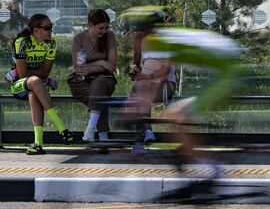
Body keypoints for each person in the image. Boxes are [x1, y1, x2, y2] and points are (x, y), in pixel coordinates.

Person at [120, 6, 243, 159]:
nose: (136, 36)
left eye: (138, 32)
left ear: (146, 30)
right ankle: (191, 155)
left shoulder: (157, 40)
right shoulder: (164, 35)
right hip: (225, 70)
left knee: (175, 114)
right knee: (178, 117)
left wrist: (139, 102)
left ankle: (208, 167)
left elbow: (163, 72)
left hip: (225, 76)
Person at [8, 14, 75, 154]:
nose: (51, 30)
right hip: (18, 85)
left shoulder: (51, 43)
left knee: (34, 93)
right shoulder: (22, 42)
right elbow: (22, 74)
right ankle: (62, 128)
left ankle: (38, 143)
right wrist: (37, 73)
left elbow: (46, 72)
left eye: (51, 27)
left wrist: (34, 72)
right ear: (36, 30)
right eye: (47, 28)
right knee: (36, 81)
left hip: (36, 86)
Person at [68, 9, 117, 143]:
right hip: (81, 82)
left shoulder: (110, 37)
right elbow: (79, 68)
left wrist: (91, 67)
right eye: (101, 28)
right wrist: (101, 62)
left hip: (105, 79)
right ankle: (103, 138)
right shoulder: (79, 39)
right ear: (90, 25)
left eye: (107, 27)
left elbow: (112, 66)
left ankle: (90, 128)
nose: (104, 31)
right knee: (100, 97)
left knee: (99, 83)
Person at [129, 11, 176, 144]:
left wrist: (146, 76)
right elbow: (136, 64)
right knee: (140, 88)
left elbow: (166, 69)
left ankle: (146, 131)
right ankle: (146, 132)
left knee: (139, 90)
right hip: (145, 84)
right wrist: (136, 71)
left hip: (164, 85)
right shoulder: (140, 39)